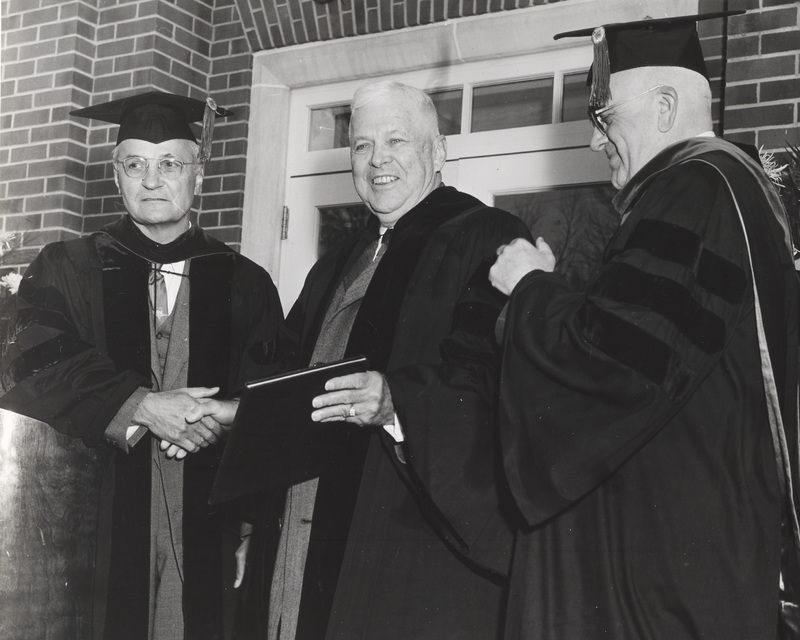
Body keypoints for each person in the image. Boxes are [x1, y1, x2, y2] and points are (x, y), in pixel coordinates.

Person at [484, 12, 800, 639]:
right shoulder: (733, 189)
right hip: (706, 545)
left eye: (604, 118)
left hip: (671, 574)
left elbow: (613, 365)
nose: (596, 141)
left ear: (663, 106)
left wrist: (529, 288)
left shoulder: (694, 189)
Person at [216, 80, 531, 640]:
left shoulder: (488, 239)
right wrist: (234, 412)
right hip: (300, 528)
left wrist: (397, 403)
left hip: (405, 529)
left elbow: (490, 377)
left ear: (437, 153)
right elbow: (284, 376)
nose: (378, 159)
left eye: (396, 141)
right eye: (362, 146)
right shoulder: (335, 262)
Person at [0, 91, 283, 640]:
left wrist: (253, 528)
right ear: (116, 174)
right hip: (89, 523)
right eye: (136, 164)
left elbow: (269, 406)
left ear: (199, 175)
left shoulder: (246, 282)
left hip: (207, 522)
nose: (152, 180)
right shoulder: (66, 266)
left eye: (171, 164)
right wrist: (143, 406)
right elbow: (27, 367)